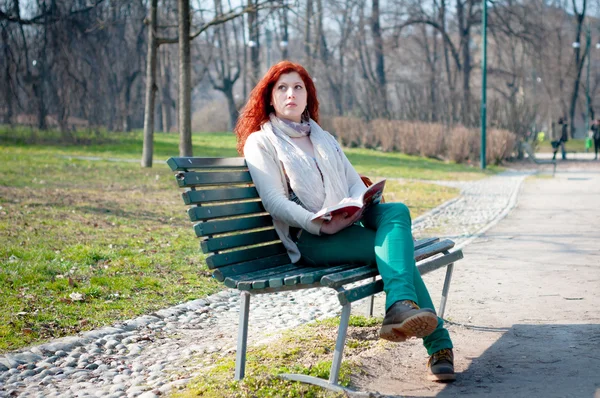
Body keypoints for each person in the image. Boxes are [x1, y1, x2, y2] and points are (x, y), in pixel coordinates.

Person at [235, 61, 455, 382]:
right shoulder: (263, 142)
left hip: (347, 221)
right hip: (311, 237)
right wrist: (317, 223)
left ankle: (399, 304)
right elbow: (274, 203)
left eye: (298, 87)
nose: (290, 94)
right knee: (396, 253)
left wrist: (359, 201)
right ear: (270, 98)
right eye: (281, 88)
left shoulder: (323, 137)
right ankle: (437, 344)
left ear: (308, 96)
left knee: (396, 211)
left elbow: (354, 182)